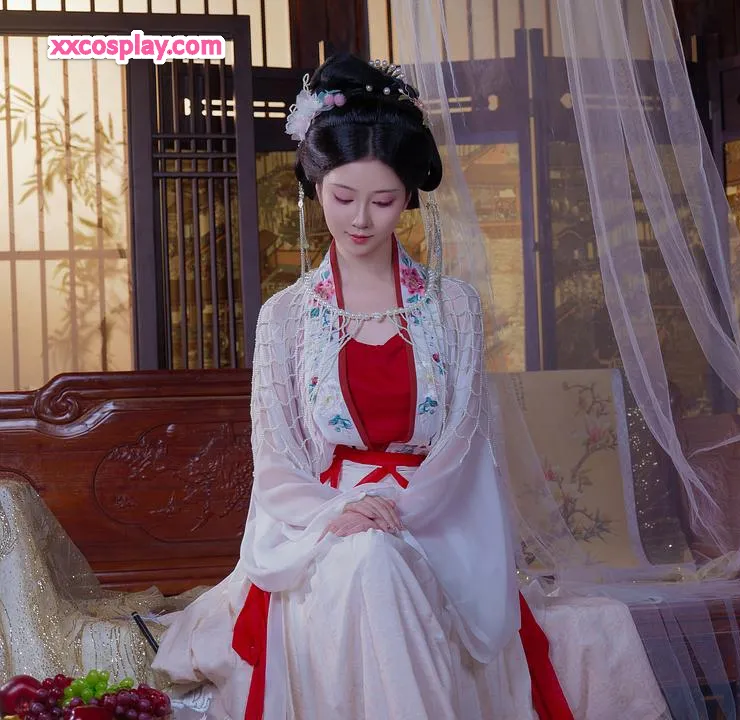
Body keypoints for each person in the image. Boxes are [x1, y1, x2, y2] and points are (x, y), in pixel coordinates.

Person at [151, 55, 602, 720]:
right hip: (324, 521)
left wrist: (397, 511)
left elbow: (462, 441)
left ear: (410, 197)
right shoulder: (286, 316)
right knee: (367, 560)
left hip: (438, 516)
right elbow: (275, 460)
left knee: (381, 558)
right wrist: (340, 512)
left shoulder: (453, 307)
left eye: (383, 201)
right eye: (343, 198)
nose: (360, 219)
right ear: (315, 187)